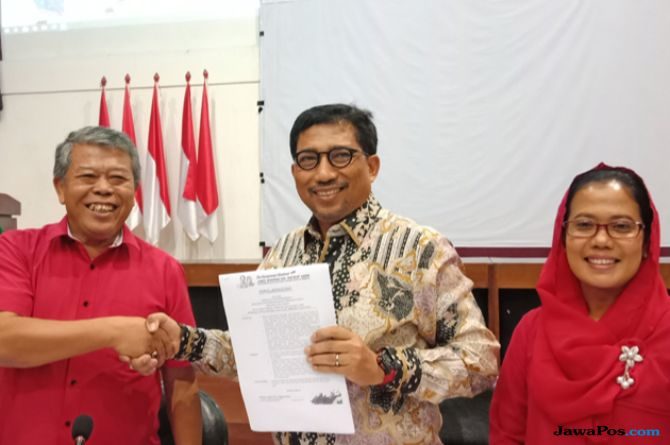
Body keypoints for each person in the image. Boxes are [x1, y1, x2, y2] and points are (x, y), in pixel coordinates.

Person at [137, 103, 499, 444]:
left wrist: (382, 367)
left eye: (341, 156)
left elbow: (480, 361)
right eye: (308, 159)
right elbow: (254, 354)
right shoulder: (284, 253)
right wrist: (182, 340)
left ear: (372, 166)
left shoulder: (420, 249)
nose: (324, 173)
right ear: (295, 172)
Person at [0, 126, 202, 445]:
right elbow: (5, 341)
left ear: (135, 192)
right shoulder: (15, 250)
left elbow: (181, 377)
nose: (104, 189)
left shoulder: (165, 270)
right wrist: (115, 332)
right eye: (88, 177)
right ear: (60, 188)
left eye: (118, 179)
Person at [489, 164, 670, 444]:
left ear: (647, 241)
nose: (601, 240)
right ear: (563, 238)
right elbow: (507, 434)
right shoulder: (532, 330)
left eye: (621, 226)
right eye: (584, 225)